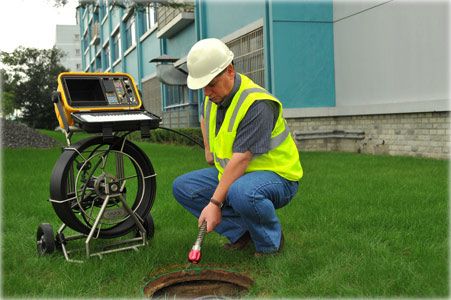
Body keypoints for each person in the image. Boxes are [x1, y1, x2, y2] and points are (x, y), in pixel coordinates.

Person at [173, 38, 303, 256]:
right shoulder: (213, 97)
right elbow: (204, 117)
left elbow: (242, 158)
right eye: (203, 86)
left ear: (230, 71)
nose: (206, 92)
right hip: (238, 175)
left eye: (211, 84)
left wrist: (214, 203)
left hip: (279, 177)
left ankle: (270, 245)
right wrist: (208, 149)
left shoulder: (257, 104)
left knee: (241, 192)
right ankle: (243, 233)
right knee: (184, 187)